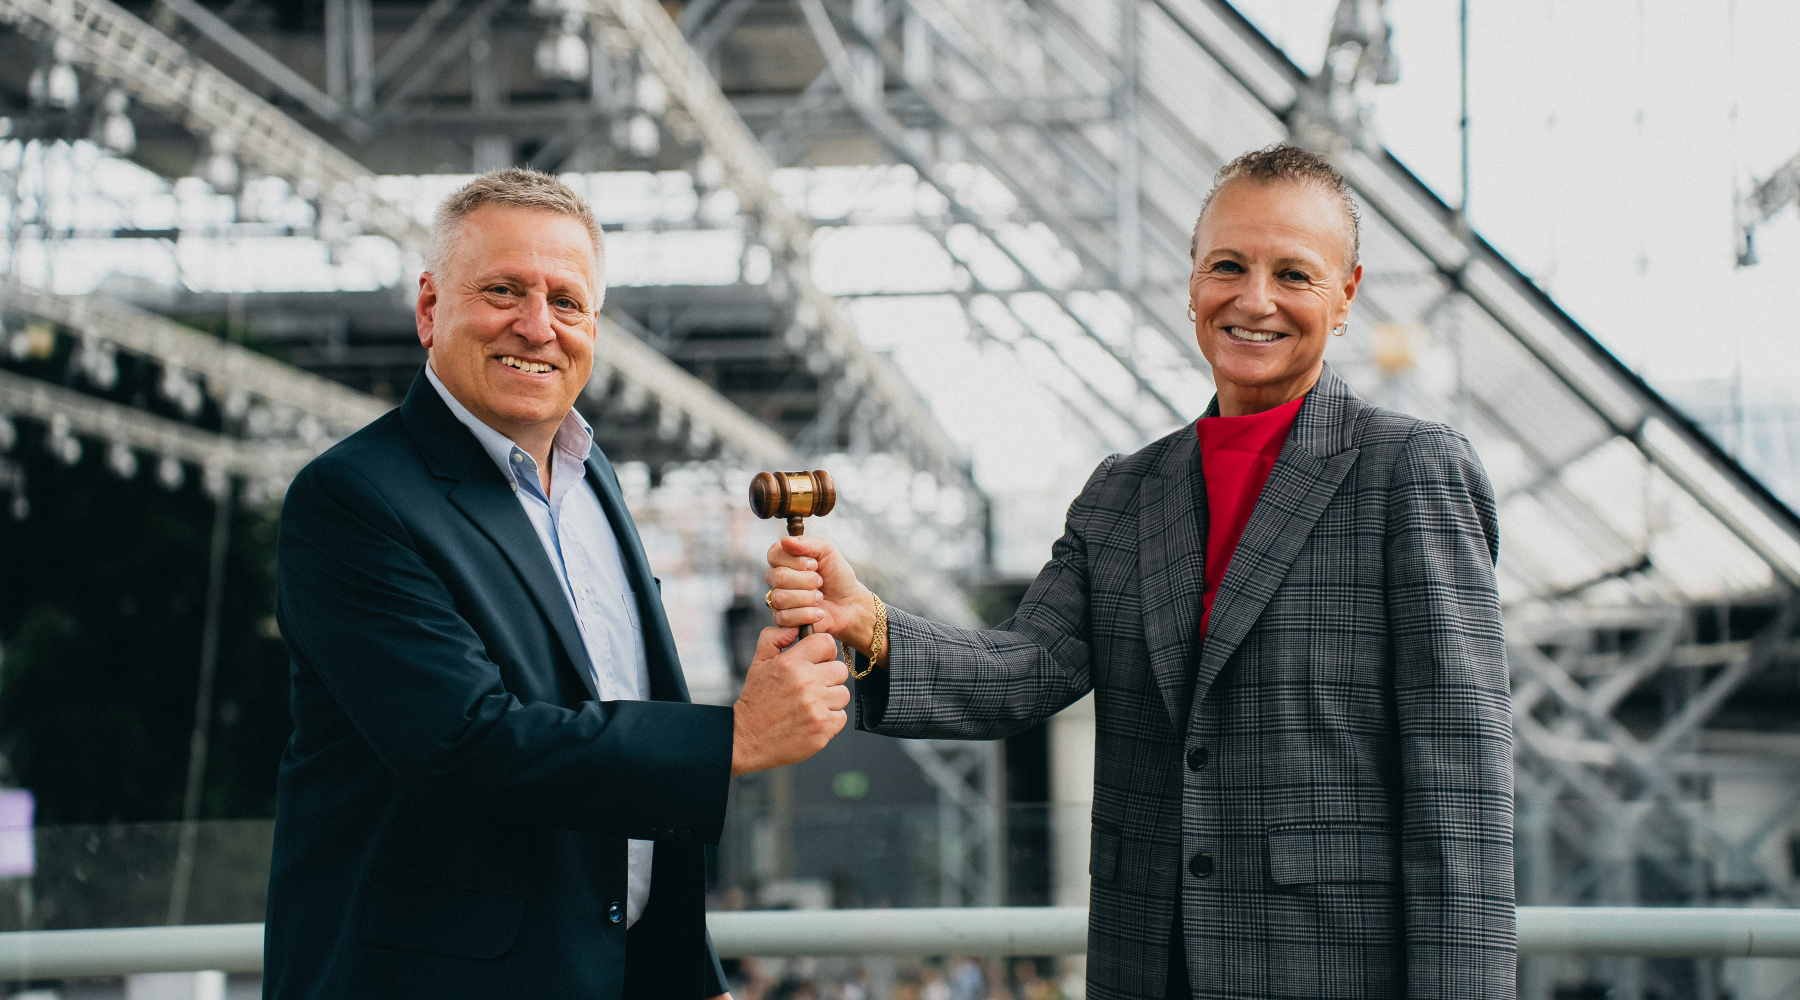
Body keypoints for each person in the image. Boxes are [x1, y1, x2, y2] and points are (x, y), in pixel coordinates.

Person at [765, 144, 1514, 999]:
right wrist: (870, 622)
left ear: (1346, 295)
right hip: (1146, 962)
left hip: (1333, 970)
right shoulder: (1125, 492)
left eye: (1294, 274)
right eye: (1227, 266)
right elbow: (1027, 668)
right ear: (1192, 283)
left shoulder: (1409, 472)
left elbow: (1460, 792)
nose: (1254, 299)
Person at [266, 168, 849, 999]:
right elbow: (464, 745)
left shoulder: (588, 477)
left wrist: (686, 971)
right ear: (430, 308)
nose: (537, 326)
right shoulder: (354, 498)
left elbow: (622, 711)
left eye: (566, 302)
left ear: (594, 325)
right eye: (503, 290)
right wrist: (736, 741)